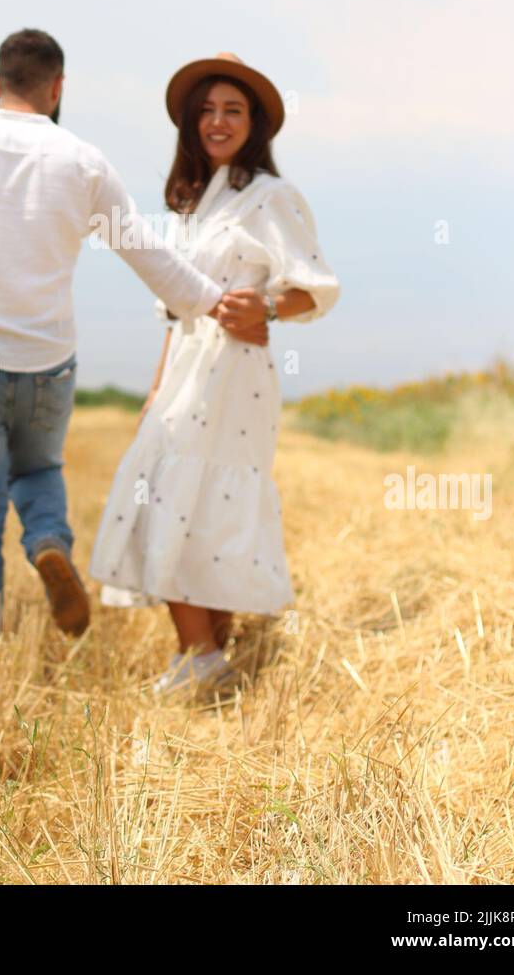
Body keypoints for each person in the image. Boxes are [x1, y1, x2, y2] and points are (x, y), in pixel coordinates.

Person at [0, 29, 264, 637]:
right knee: (37, 472)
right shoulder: (82, 161)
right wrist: (214, 301)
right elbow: (146, 253)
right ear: (58, 87)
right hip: (45, 363)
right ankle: (48, 544)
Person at [89, 52, 341, 695]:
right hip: (185, 365)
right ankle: (208, 656)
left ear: (254, 122)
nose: (218, 121)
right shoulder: (188, 204)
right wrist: (153, 389)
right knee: (169, 490)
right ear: (190, 123)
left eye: (232, 110)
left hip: (237, 373)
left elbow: (317, 289)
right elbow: (173, 314)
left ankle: (200, 654)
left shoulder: (273, 197)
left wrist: (267, 307)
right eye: (207, 110)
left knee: (203, 497)